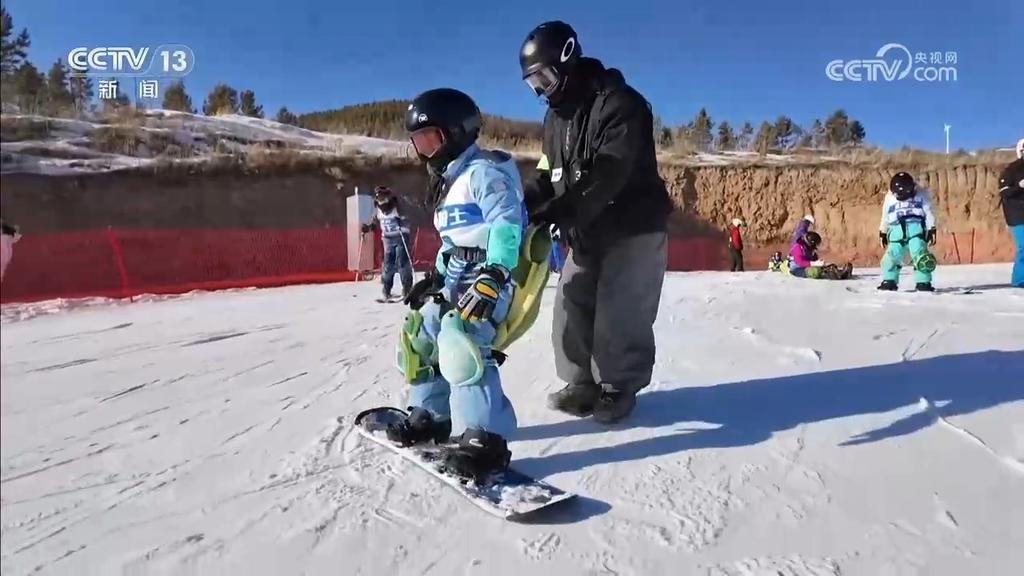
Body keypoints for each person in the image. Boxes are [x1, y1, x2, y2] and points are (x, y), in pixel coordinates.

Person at [518, 21, 672, 423]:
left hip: (633, 223)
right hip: (586, 224)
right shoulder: (555, 120)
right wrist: (527, 200)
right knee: (570, 300)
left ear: (568, 58)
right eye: (533, 83)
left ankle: (617, 386)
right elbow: (548, 169)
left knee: (620, 308)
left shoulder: (621, 105)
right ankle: (580, 383)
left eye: (545, 77)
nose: (542, 90)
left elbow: (608, 175)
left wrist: (561, 211)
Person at [386, 88, 525, 480]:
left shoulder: (484, 173)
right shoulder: (450, 180)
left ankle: (486, 437)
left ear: (458, 133)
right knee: (419, 330)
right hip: (458, 278)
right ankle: (435, 413)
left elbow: (505, 225)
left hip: (490, 281)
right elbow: (453, 244)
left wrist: (494, 275)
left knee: (459, 334)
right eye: (418, 143)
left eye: (430, 140)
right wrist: (435, 279)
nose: (425, 152)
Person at [878, 172, 937, 291]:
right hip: (896, 232)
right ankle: (889, 280)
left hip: (916, 231)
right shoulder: (890, 198)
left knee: (920, 255)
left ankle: (923, 282)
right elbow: (885, 216)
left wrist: (932, 228)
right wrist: (883, 231)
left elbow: (929, 212)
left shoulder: (921, 195)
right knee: (891, 257)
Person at [362, 185, 414, 300]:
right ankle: (386, 289)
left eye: (384, 199)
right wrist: (368, 227)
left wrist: (401, 220)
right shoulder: (378, 210)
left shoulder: (397, 206)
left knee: (401, 263)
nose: (382, 202)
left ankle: (407, 289)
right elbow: (375, 222)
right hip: (387, 239)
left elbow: (408, 216)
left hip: (401, 237)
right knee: (388, 265)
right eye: (379, 199)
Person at [998, 138, 1024, 287]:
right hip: (1017, 214)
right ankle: (1019, 280)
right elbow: (1004, 192)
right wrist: (1019, 187)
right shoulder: (1011, 170)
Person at [788, 230, 853, 280]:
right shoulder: (798, 247)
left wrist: (819, 262)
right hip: (796, 270)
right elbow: (799, 262)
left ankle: (840, 272)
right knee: (815, 271)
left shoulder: (809, 249)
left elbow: (813, 259)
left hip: (805, 267)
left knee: (827, 267)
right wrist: (814, 263)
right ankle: (835, 275)